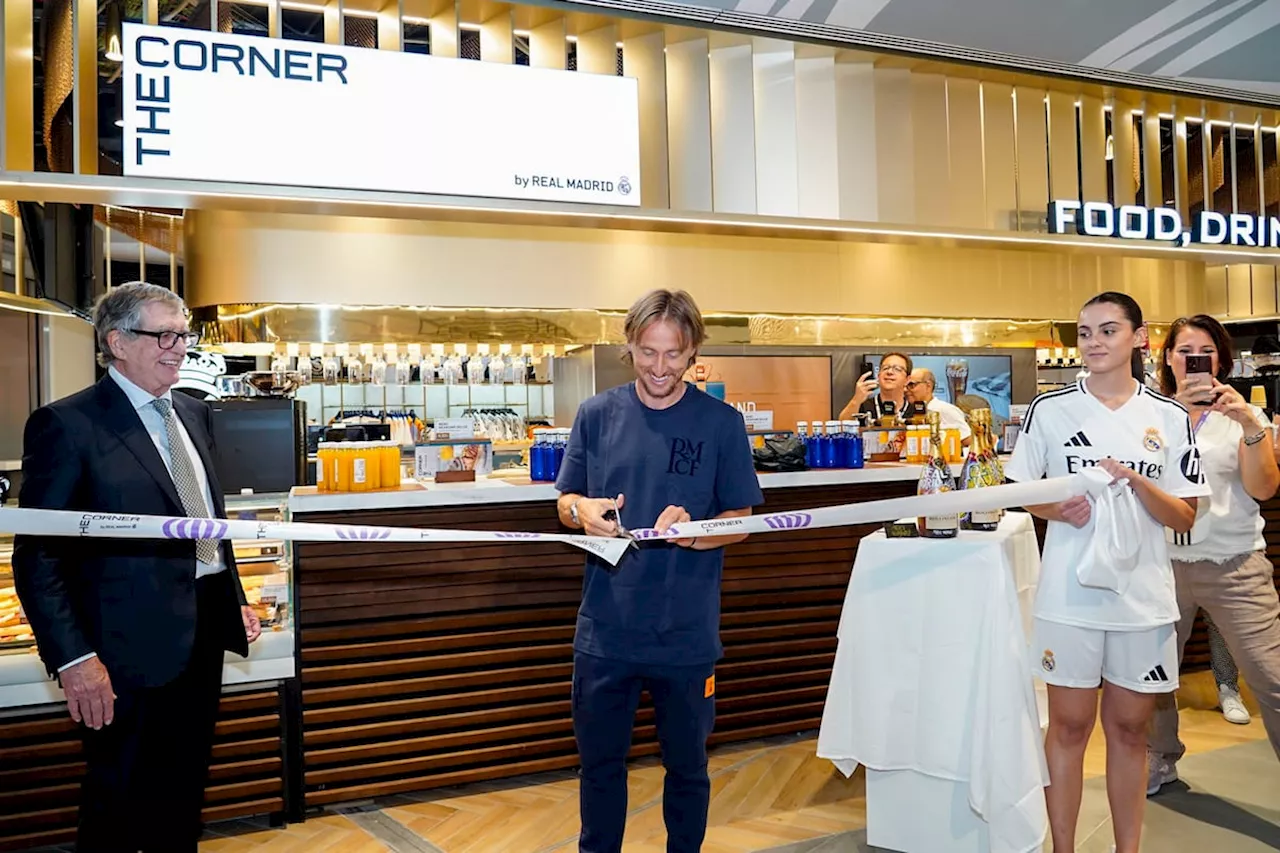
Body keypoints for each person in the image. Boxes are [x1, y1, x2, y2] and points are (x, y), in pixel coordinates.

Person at [12, 282, 261, 852]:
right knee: (117, 799)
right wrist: (74, 658)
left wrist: (233, 595)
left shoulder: (195, 415)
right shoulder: (68, 425)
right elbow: (38, 553)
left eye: (184, 335)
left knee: (184, 792)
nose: (179, 348)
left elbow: (206, 520)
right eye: (164, 335)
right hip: (118, 649)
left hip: (200, 634)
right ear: (117, 342)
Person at [555, 289, 764, 853]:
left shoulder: (721, 424)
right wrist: (582, 512)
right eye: (648, 352)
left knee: (688, 770)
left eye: (673, 355)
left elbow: (741, 519)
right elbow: (565, 500)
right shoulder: (596, 415)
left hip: (686, 634)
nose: (660, 368)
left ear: (693, 351)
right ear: (630, 346)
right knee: (599, 770)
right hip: (605, 630)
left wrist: (700, 531)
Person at [1006, 292, 1208, 853]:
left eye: (1108, 330)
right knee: (1068, 729)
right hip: (1069, 596)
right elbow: (1027, 494)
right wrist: (1056, 507)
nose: (1093, 342)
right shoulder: (1049, 410)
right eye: (1085, 332)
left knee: (1128, 730)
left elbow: (1185, 515)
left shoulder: (1169, 418)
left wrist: (1139, 483)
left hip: (1141, 600)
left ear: (1139, 338)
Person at [1147, 313, 1280, 794]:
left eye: (1204, 352)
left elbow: (1263, 488)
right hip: (1159, 565)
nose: (1193, 361)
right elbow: (1136, 481)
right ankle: (1160, 758)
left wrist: (1248, 423)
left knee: (1271, 676)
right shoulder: (1150, 413)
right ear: (1167, 358)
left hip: (1235, 565)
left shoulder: (1246, 415)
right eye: (1184, 351)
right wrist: (1171, 419)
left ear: (1221, 360)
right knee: (1155, 675)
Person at [905, 367, 972, 446]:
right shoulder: (906, 412)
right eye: (904, 386)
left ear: (928, 386)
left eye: (911, 385)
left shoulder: (945, 410)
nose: (905, 390)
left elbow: (968, 440)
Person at [838, 352, 912, 422]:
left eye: (897, 369)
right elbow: (842, 428)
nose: (889, 372)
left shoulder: (915, 410)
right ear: (878, 375)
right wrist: (856, 400)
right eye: (885, 368)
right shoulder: (863, 406)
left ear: (907, 380)